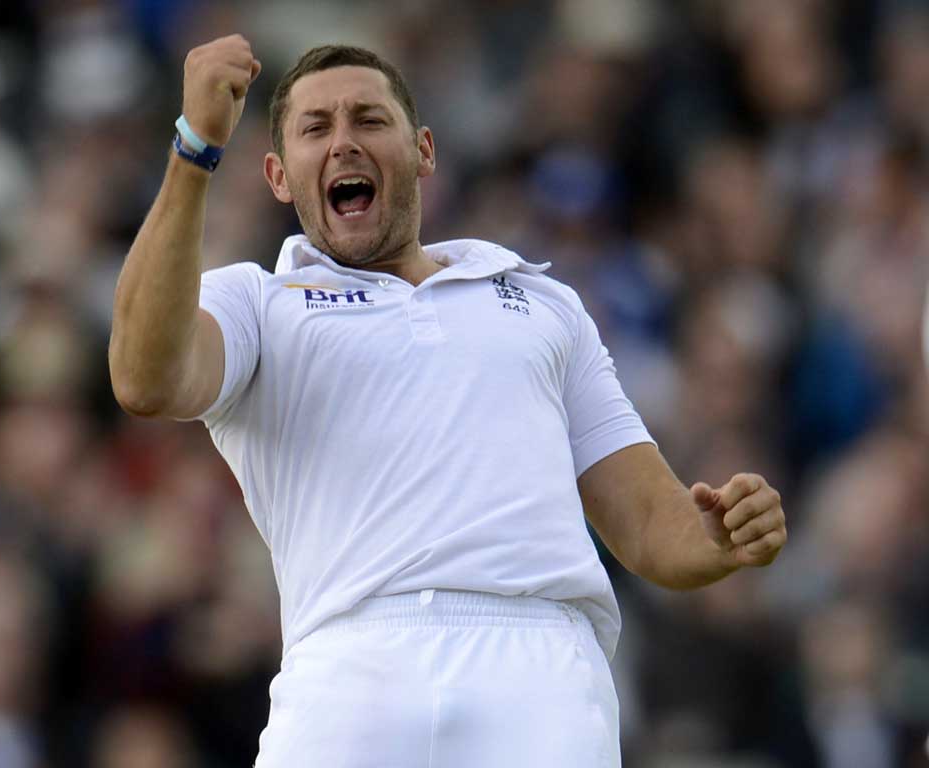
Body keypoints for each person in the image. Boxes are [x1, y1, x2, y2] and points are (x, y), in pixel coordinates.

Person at [108, 34, 787, 768]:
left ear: (425, 150)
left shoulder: (544, 302)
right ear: (277, 175)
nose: (343, 143)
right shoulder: (257, 302)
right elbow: (144, 377)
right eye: (315, 128)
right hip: (348, 668)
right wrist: (194, 149)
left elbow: (650, 524)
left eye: (369, 119)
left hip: (538, 667)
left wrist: (719, 538)